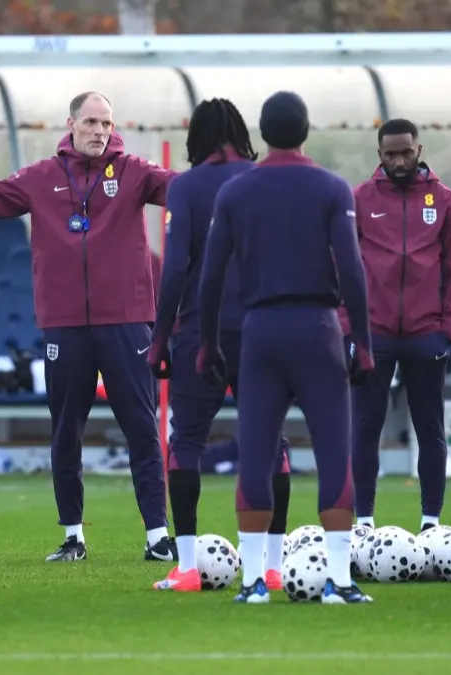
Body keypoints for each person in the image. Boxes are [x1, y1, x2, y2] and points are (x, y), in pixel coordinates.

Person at [0, 91, 177, 562]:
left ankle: (158, 537)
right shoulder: (40, 178)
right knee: (66, 431)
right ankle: (73, 536)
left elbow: (186, 190)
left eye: (107, 123)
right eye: (92, 122)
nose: (100, 131)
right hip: (65, 324)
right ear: (71, 124)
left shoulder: (133, 172)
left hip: (127, 321)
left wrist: (236, 185)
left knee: (141, 428)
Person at [198, 91, 375, 605]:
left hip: (260, 332)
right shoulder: (331, 187)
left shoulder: (236, 190)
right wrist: (362, 341)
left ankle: (254, 583)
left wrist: (206, 343)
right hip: (319, 328)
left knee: (256, 452)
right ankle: (339, 581)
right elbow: (354, 272)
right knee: (333, 453)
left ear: (263, 131)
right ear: (305, 130)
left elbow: (211, 277)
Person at [147, 98, 293, 592]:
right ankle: (272, 566)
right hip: (265, 329)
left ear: (196, 137)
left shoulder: (185, 186)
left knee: (186, 439)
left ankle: (187, 567)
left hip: (200, 331)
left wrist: (160, 337)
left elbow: (175, 269)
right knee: (271, 440)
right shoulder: (266, 179)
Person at [343, 118, 451, 532]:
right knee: (365, 427)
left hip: (425, 334)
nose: (399, 160)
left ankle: (431, 522)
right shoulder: (359, 199)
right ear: (379, 155)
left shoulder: (445, 201)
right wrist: (348, 328)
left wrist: (449, 330)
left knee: (429, 426)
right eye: (390, 153)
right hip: (372, 334)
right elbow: (341, 268)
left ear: (419, 149)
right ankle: (363, 521)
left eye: (406, 152)